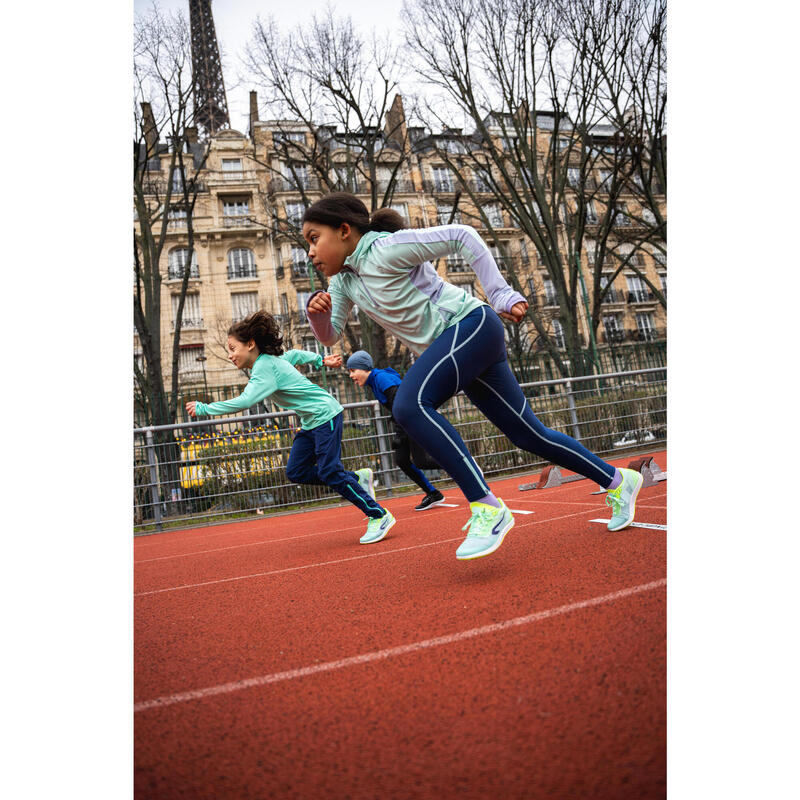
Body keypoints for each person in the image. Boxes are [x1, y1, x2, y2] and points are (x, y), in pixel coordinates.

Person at [302, 192, 644, 561]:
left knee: (410, 404)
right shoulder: (342, 282)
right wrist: (317, 314)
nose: (309, 252)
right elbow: (330, 334)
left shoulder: (385, 248)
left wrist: (499, 293)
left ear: (344, 230)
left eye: (313, 238)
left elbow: (463, 235)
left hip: (471, 324)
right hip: (460, 346)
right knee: (528, 434)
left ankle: (487, 507)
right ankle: (618, 481)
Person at [185, 309, 396, 545]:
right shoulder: (269, 362)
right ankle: (355, 478)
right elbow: (294, 355)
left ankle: (379, 514)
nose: (231, 356)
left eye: (233, 349)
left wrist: (205, 409)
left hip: (325, 415)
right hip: (311, 422)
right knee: (296, 471)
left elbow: (245, 401)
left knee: (329, 471)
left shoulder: (265, 367)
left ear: (251, 344)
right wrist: (320, 360)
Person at [346, 349, 445, 511]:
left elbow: (401, 406)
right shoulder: (374, 381)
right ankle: (433, 493)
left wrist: (400, 433)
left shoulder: (383, 379)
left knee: (422, 461)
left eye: (353, 371)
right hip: (405, 422)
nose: (351, 376)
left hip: (414, 419)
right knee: (402, 460)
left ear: (364, 368)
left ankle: (462, 463)